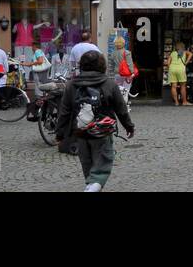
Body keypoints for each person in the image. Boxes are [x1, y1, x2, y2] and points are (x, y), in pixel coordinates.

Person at [55, 50, 135, 192]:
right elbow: (121, 109)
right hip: (102, 132)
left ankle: (91, 186)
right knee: (102, 167)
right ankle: (92, 188)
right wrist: (129, 127)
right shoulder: (109, 84)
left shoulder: (72, 85)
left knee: (88, 166)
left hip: (80, 132)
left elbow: (64, 112)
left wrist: (60, 135)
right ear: (102, 66)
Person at [112, 37, 137, 106]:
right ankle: (124, 105)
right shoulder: (127, 52)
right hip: (126, 74)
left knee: (118, 91)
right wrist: (132, 73)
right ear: (123, 43)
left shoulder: (113, 53)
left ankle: (118, 104)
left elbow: (111, 65)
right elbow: (130, 63)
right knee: (126, 90)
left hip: (117, 74)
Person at [169, 41, 190, 106]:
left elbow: (168, 63)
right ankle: (184, 102)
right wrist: (186, 62)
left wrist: (171, 67)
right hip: (181, 69)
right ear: (182, 46)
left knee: (173, 86)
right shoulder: (184, 52)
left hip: (172, 69)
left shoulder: (173, 53)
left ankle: (176, 102)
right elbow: (191, 54)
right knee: (183, 86)